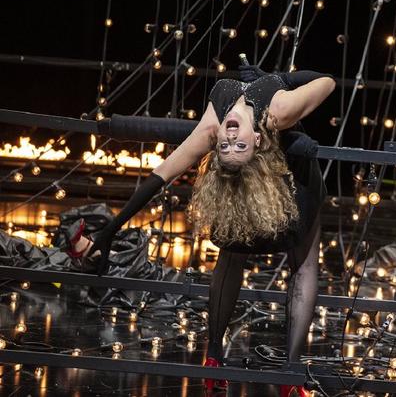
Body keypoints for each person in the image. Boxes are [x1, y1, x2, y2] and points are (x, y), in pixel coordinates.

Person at [65, 60, 335, 397]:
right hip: (268, 187)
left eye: (229, 144)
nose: (231, 137)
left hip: (280, 184)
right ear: (257, 140)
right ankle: (231, 364)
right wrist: (281, 79)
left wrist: (108, 231)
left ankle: (264, 372)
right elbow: (326, 80)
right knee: (275, 255)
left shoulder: (222, 122)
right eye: (235, 144)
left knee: (280, 257)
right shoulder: (276, 112)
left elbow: (161, 173)